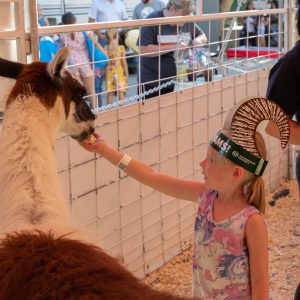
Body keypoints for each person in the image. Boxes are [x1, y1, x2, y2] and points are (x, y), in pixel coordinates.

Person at [78, 108, 271, 298]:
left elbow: (260, 283)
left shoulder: (251, 222)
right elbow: (150, 176)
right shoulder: (206, 196)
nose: (202, 163)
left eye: (211, 160)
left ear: (236, 173)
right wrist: (104, 150)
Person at [138, 0, 207, 100]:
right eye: (182, 16)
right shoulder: (153, 19)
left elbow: (202, 35)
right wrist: (173, 46)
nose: (183, 23)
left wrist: (198, 40)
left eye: (186, 17)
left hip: (178, 82)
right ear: (172, 8)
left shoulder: (187, 20)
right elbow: (142, 49)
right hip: (151, 83)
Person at [60, 12, 107, 108]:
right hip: (85, 62)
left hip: (72, 63)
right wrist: (104, 54)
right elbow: (95, 43)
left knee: (79, 92)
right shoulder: (84, 31)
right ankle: (95, 112)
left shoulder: (63, 34)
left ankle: (82, 114)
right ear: (75, 20)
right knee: (91, 91)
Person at [105, 28, 128, 104]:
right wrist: (126, 74)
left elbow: (105, 62)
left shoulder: (105, 48)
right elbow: (124, 63)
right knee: (121, 91)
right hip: (119, 71)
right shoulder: (121, 48)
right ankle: (122, 109)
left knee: (110, 92)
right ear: (117, 36)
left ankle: (109, 110)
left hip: (109, 71)